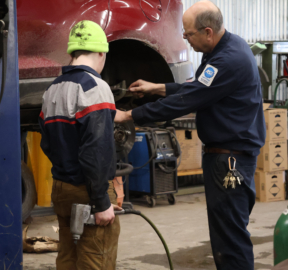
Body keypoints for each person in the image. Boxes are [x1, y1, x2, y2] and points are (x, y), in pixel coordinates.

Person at [115, 1, 265, 269]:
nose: (185, 38)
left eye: (188, 34)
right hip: (227, 158)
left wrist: (129, 116)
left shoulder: (227, 60)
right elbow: (198, 87)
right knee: (226, 235)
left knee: (230, 239)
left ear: (208, 31)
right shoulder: (226, 47)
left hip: (229, 162)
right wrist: (158, 87)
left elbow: (189, 99)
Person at [39, 20, 120, 270]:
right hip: (87, 189)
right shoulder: (96, 88)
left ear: (73, 52)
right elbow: (96, 150)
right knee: (96, 258)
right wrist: (101, 202)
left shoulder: (52, 90)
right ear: (100, 53)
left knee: (68, 258)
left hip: (61, 189)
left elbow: (47, 144)